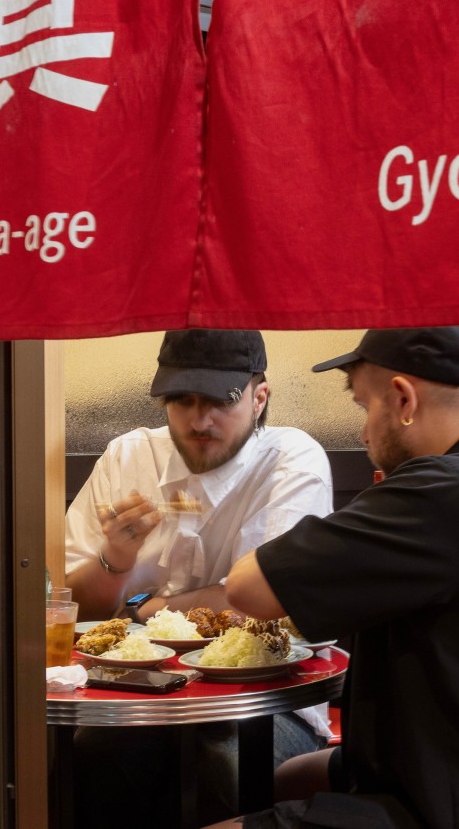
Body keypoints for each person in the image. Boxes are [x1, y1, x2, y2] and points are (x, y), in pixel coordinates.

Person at [209, 325, 459, 829]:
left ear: (403, 399)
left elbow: (246, 588)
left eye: (366, 408)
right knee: (288, 777)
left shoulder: (438, 493)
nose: (365, 434)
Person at [65, 328, 334, 825]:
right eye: (181, 400)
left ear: (259, 398)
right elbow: (78, 609)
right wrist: (116, 558)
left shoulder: (291, 461)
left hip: (261, 702)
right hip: (139, 694)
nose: (198, 419)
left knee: (237, 768)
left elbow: (259, 601)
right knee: (92, 759)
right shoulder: (128, 457)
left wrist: (143, 608)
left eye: (219, 400)